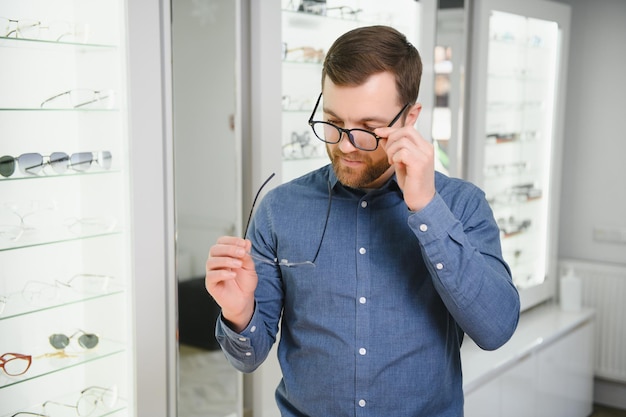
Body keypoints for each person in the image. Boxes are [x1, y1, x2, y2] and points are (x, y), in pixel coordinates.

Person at [206, 25, 520, 417]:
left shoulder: (462, 205)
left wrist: (426, 208)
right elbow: (247, 357)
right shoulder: (279, 210)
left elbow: (497, 330)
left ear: (411, 117)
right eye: (333, 121)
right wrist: (239, 313)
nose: (345, 145)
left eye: (369, 129)